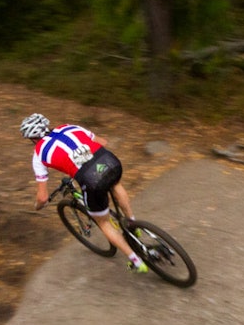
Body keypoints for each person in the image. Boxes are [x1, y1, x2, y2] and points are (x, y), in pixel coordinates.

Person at [20, 113, 149, 273]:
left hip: (91, 179)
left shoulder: (39, 154)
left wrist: (38, 205)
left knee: (103, 222)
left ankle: (136, 261)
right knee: (115, 184)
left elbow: (43, 197)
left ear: (32, 138)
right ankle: (132, 223)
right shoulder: (68, 127)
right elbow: (102, 142)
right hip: (110, 161)